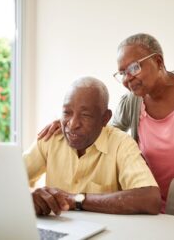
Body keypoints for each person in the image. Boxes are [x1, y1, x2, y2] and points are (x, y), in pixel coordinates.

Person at [38, 33, 174, 211]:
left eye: (134, 68)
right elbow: (104, 132)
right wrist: (70, 121)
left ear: (159, 62)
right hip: (151, 207)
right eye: (122, 73)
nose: (127, 78)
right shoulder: (132, 102)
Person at [25, 76, 161, 216]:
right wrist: (32, 197)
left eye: (85, 115)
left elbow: (150, 199)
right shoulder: (50, 138)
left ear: (105, 118)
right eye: (67, 112)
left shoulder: (121, 144)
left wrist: (76, 200)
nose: (72, 124)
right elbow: (9, 180)